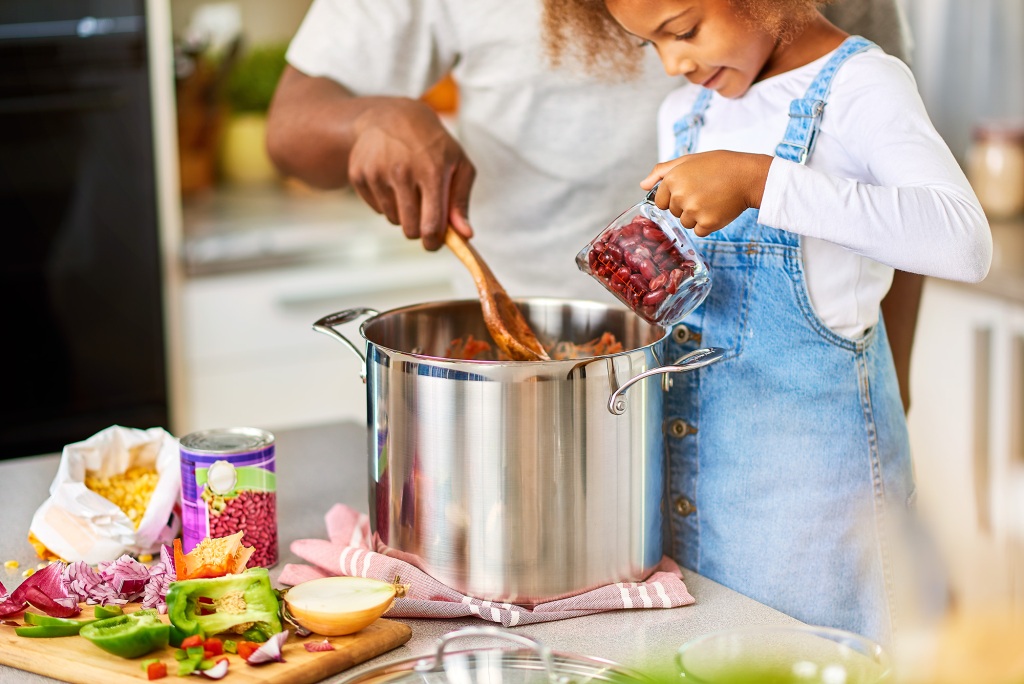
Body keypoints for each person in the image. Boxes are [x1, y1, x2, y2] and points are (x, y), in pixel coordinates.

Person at [542, 0, 991, 645]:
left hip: (815, 518)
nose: (675, 63)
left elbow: (963, 242)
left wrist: (760, 182)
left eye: (685, 31)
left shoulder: (862, 85)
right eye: (652, 46)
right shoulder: (685, 115)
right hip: (688, 493)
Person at [265, 0, 925, 412]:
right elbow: (289, 130)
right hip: (540, 382)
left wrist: (887, 405)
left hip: (769, 389)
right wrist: (370, 118)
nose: (673, 65)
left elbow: (893, 174)